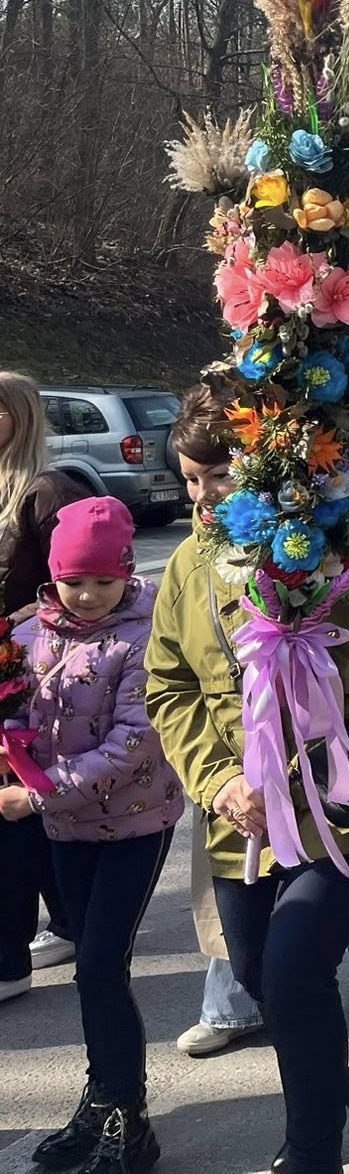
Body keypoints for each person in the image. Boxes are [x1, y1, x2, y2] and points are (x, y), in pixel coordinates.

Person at [147, 382, 349, 1174]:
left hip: (346, 804)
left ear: (261, 467)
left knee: (294, 971)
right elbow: (167, 686)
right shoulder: (187, 562)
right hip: (242, 814)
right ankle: (326, 1077)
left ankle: (312, 1150)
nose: (202, 497)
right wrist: (217, 780)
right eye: (189, 480)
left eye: (218, 477)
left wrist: (326, 660)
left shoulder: (348, 535)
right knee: (257, 976)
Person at [3, 497, 182, 1174]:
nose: (88, 595)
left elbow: (134, 743)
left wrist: (37, 791)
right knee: (89, 973)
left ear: (126, 573)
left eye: (103, 581)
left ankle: (128, 1118)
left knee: (103, 966)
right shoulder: (31, 634)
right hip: (66, 827)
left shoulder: (142, 637)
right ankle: (99, 1100)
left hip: (135, 822)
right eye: (74, 581)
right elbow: (18, 712)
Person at [0, 372, 85, 1006]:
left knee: (15, 806)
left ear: (21, 416)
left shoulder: (47, 489)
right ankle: (73, 920)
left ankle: (10, 959)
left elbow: (81, 577)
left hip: (26, 671)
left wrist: (26, 621)